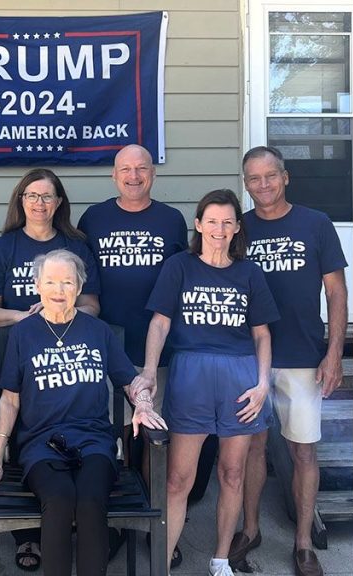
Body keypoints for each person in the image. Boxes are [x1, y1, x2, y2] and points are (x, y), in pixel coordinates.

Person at [0, 249, 166, 576]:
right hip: (41, 444)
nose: (59, 290)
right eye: (51, 282)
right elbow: (9, 400)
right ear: (37, 286)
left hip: (95, 441)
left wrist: (141, 403)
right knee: (58, 499)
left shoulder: (98, 332)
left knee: (90, 501)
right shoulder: (22, 334)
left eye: (68, 282)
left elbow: (129, 381)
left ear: (79, 287)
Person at [142, 189, 279, 576]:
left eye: (227, 222)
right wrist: (151, 371)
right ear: (199, 225)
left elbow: (262, 334)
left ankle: (220, 561)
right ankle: (162, 563)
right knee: (177, 479)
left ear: (237, 228)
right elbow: (160, 322)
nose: (219, 229)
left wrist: (263, 384)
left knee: (232, 473)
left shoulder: (249, 272)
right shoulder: (179, 267)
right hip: (191, 375)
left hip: (240, 376)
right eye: (212, 221)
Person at [0, 168, 100, 571]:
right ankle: (29, 540)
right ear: (20, 200)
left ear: (59, 202)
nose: (39, 203)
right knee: (29, 448)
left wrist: (58, 312)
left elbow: (94, 306)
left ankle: (72, 533)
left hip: (69, 366)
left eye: (47, 196)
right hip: (20, 364)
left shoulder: (76, 246)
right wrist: (28, 317)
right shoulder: (3, 248)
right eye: (32, 195)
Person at [234, 145, 348, 576]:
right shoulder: (238, 228)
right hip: (248, 357)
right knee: (252, 450)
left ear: (285, 177)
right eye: (253, 178)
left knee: (303, 450)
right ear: (246, 184)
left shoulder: (315, 224)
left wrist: (334, 352)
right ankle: (250, 529)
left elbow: (337, 292)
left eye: (270, 176)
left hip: (303, 354)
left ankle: (303, 543)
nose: (262, 185)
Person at [77, 144, 190, 566]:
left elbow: (183, 283)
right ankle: (111, 525)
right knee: (112, 439)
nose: (134, 175)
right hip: (102, 350)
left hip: (154, 352)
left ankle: (156, 524)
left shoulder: (171, 220)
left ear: (153, 175)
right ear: (113, 175)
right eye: (126, 168)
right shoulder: (94, 218)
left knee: (151, 441)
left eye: (142, 168)